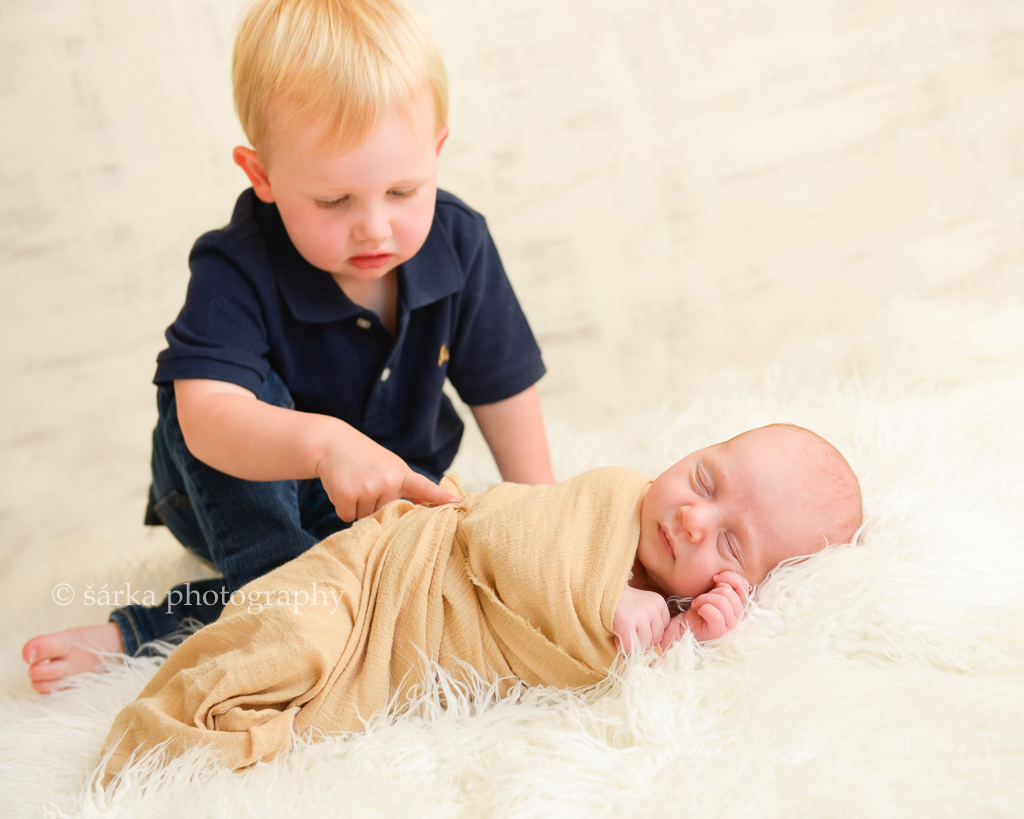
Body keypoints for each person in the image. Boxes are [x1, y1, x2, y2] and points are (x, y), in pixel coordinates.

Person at [24, 0, 556, 695]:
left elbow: (502, 385)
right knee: (263, 509)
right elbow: (206, 420)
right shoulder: (236, 265)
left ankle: (291, 597)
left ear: (436, 151)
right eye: (334, 201)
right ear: (263, 175)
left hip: (376, 495)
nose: (375, 228)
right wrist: (322, 443)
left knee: (421, 573)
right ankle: (153, 631)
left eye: (403, 189)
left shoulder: (460, 242)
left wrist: (545, 522)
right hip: (240, 487)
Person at [100, 424, 862, 780]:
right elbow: (501, 533)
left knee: (306, 699)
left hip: (401, 648)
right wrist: (607, 594)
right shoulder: (609, 497)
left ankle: (228, 734)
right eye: (703, 479)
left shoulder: (668, 604)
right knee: (289, 635)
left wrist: (691, 629)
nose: (694, 518)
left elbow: (609, 673)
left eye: (730, 546)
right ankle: (164, 726)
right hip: (381, 575)